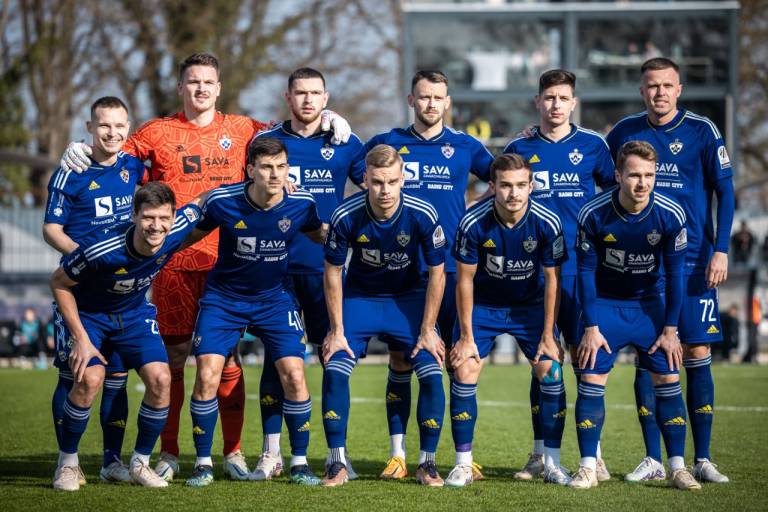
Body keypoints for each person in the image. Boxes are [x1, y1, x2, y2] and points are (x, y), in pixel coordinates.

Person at [57, 53, 351, 482]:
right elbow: (113, 153)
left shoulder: (245, 129)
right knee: (174, 358)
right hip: (174, 263)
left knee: (226, 358)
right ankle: (169, 452)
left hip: (230, 265)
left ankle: (232, 451)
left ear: (219, 87)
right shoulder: (155, 132)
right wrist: (80, 148)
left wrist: (330, 118)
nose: (200, 89)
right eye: (193, 81)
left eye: (208, 82)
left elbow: (291, 130)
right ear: (181, 87)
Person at [351, 70, 493, 480]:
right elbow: (356, 172)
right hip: (404, 275)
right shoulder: (387, 142)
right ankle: (398, 455)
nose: (431, 104)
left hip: (452, 271)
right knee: (402, 359)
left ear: (447, 102)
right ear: (411, 100)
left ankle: (462, 456)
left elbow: (503, 178)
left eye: (438, 98)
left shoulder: (465, 146)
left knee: (460, 364)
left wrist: (475, 211)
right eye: (424, 97)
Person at [606, 57, 734, 484]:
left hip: (695, 261)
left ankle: (704, 458)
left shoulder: (702, 130)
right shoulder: (624, 132)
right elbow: (596, 173)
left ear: (679, 89)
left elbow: (726, 191)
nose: (659, 92)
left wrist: (721, 249)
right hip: (643, 264)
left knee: (696, 352)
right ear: (641, 91)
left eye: (666, 85)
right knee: (650, 353)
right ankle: (653, 459)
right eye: (651, 86)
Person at [181, 137, 326, 487]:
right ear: (250, 170)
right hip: (224, 300)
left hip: (275, 299)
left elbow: (319, 234)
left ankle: (299, 463)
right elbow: (186, 237)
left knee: (295, 375)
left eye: (281, 167)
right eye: (266, 167)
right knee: (207, 374)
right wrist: (150, 251)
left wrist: (356, 230)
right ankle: (203, 463)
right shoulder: (223, 201)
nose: (275, 174)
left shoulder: (302, 203)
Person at [48, 181, 205, 491]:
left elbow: (205, 199)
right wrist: (80, 337)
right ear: (134, 215)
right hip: (90, 315)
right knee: (89, 379)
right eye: (148, 217)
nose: (156, 226)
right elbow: (58, 282)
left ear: (174, 217)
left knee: (161, 379)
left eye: (164, 218)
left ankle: (140, 463)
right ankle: (67, 464)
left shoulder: (176, 229)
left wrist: (269, 184)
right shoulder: (101, 249)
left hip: (133, 315)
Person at [247, 67, 363, 481]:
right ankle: (271, 453)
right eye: (300, 93)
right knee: (276, 360)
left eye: (316, 93)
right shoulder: (267, 143)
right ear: (288, 97)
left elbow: (379, 184)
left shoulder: (345, 142)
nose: (308, 100)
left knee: (334, 356)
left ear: (326, 98)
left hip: (325, 270)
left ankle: (337, 454)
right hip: (276, 269)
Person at [503, 69, 616, 482]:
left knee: (587, 363)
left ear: (573, 103)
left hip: (581, 274)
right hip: (534, 276)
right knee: (545, 363)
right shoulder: (519, 147)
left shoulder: (593, 146)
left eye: (563, 98)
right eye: (549, 97)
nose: (555, 104)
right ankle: (540, 454)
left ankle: (594, 454)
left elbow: (614, 197)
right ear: (538, 102)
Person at [569, 140, 699, 491]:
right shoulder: (593, 213)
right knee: (591, 380)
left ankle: (677, 468)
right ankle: (587, 467)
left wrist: (670, 329)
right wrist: (591, 326)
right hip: (605, 308)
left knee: (668, 380)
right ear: (618, 176)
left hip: (649, 308)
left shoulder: (670, 214)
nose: (642, 183)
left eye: (649, 175)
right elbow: (585, 273)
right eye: (634, 175)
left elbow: (676, 275)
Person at [321, 144, 446, 487]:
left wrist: (428, 329)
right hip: (360, 299)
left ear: (403, 178)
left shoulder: (422, 213)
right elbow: (332, 271)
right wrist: (336, 329)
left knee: (432, 372)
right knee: (335, 367)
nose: (385, 190)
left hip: (408, 300)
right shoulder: (346, 215)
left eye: (391, 181)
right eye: (377, 182)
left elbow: (438, 273)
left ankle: (427, 463)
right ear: (365, 180)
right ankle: (337, 462)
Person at [445, 154, 567, 488]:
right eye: (505, 186)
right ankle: (463, 464)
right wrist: (466, 337)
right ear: (493, 186)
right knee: (465, 368)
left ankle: (551, 462)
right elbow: (464, 280)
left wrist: (548, 335)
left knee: (551, 371)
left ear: (531, 186)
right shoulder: (473, 222)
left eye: (520, 185)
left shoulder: (547, 222)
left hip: (530, 306)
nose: (513, 193)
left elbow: (553, 280)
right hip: (484, 306)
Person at [43, 96, 146, 483]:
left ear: (128, 128)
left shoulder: (134, 167)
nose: (112, 132)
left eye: (119, 125)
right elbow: (50, 229)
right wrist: (85, 258)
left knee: (117, 377)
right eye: (104, 125)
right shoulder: (71, 171)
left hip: (122, 293)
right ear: (89, 128)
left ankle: (111, 462)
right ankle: (67, 462)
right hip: (79, 291)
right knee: (77, 376)